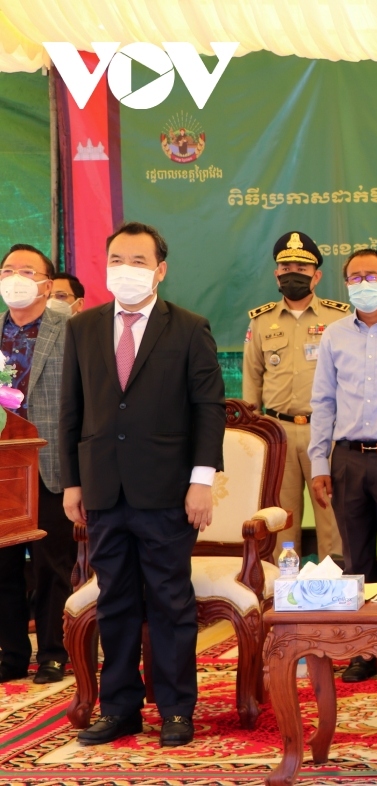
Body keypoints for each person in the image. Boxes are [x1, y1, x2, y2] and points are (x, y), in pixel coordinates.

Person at [59, 221, 225, 747]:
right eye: (115, 260)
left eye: (136, 261)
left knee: (171, 603)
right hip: (104, 489)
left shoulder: (189, 327)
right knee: (116, 601)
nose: (124, 270)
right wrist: (71, 482)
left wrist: (202, 482)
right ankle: (121, 708)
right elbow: (71, 410)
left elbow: (209, 409)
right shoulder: (83, 328)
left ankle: (177, 710)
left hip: (168, 491)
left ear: (160, 270)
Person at [308, 248, 377, 685]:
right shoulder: (334, 334)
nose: (363, 283)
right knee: (354, 561)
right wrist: (319, 463)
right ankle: (363, 650)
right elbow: (323, 403)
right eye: (354, 277)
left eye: (371, 276)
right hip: (348, 460)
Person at [243, 231, 349, 560]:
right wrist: (253, 431)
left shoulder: (339, 317)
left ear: (316, 276)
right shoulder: (261, 322)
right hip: (278, 431)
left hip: (326, 431)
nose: (293, 274)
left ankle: (335, 584)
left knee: (330, 513)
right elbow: (252, 378)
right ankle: (281, 586)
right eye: (286, 267)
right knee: (280, 515)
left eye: (301, 269)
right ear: (276, 273)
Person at [0, 244, 71, 685]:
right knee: (3, 566)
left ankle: (53, 652)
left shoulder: (74, 329)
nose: (15, 277)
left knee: (52, 562)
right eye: (8, 270)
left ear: (47, 283)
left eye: (27, 270)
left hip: (50, 461)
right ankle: (10, 654)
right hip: (3, 467)